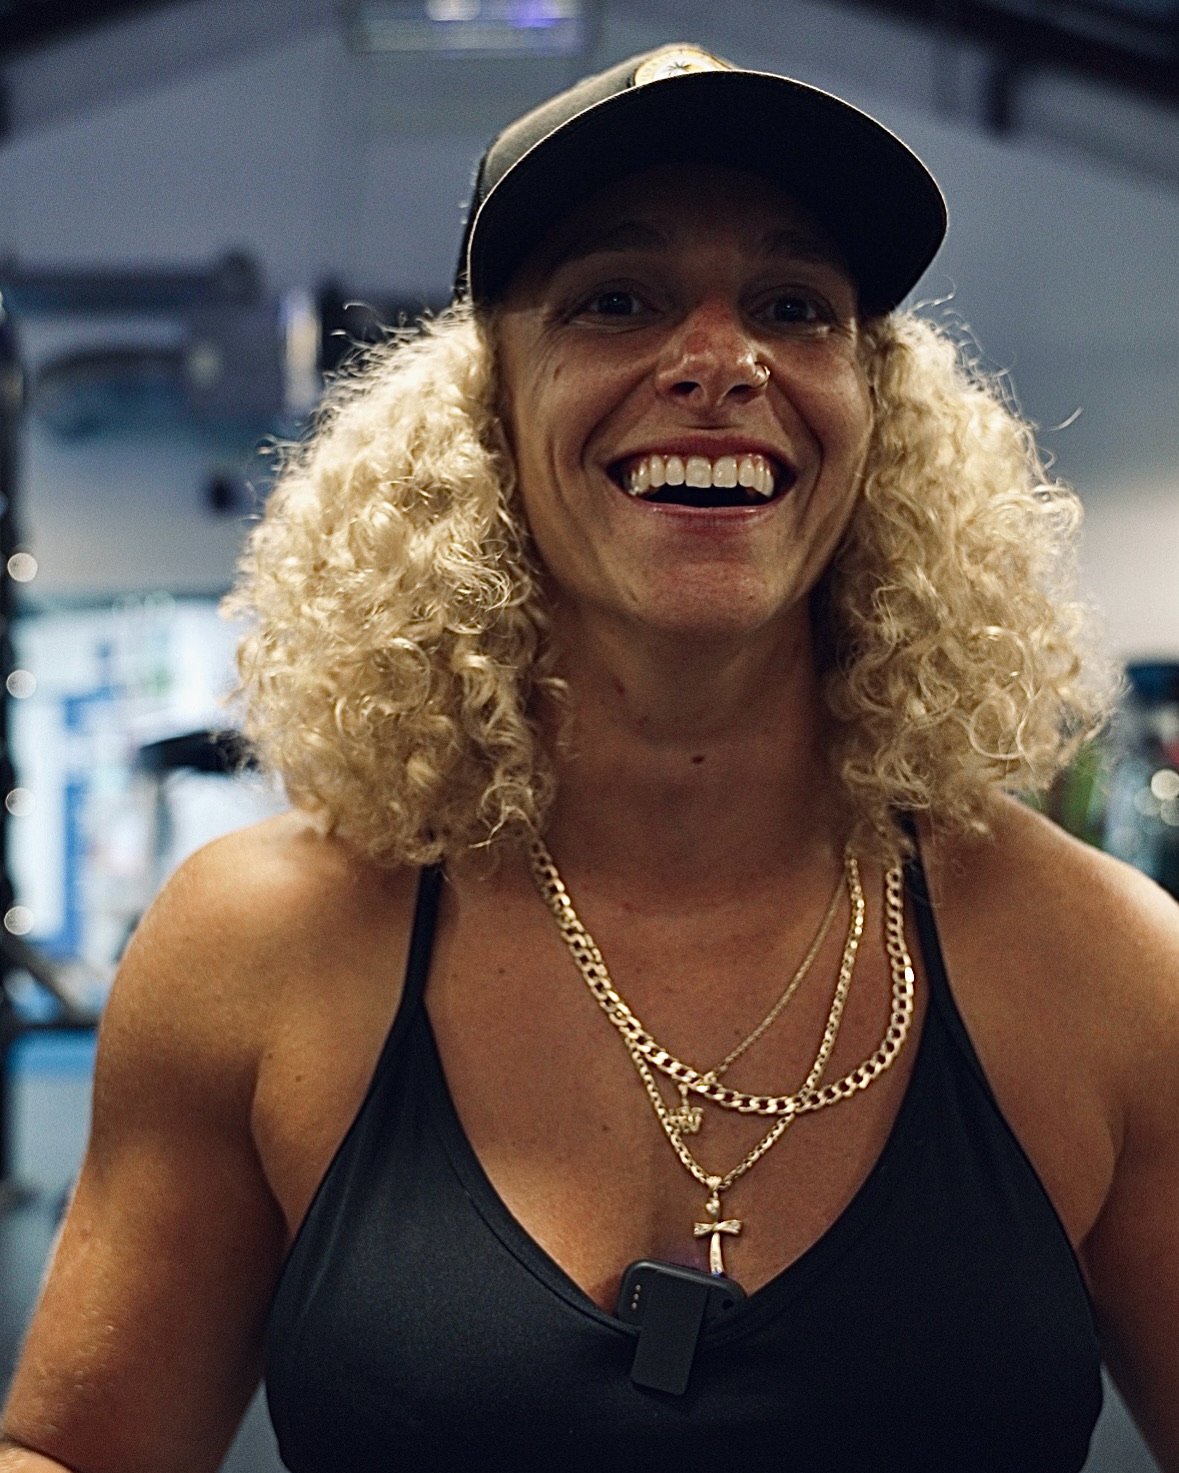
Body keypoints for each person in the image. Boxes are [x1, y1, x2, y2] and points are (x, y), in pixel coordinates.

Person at [2, 41, 1178, 1473]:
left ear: (873, 416)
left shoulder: (1106, 970)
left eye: (794, 306)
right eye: (616, 299)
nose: (720, 360)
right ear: (485, 418)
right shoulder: (260, 947)